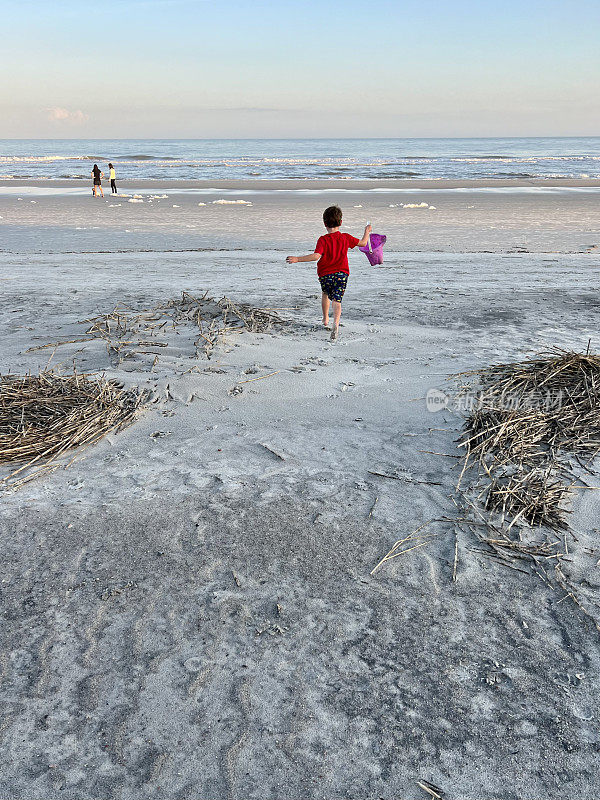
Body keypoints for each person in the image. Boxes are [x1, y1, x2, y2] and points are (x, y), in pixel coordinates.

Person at [286, 205, 371, 341]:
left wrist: (297, 259)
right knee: (337, 300)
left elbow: (316, 256)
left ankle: (325, 318)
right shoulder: (345, 237)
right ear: (341, 222)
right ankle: (335, 324)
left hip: (325, 275)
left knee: (326, 294)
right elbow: (363, 243)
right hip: (342, 274)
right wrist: (367, 231)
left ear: (324, 223)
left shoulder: (323, 239)